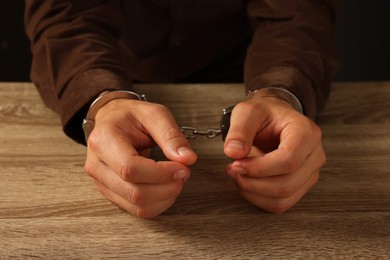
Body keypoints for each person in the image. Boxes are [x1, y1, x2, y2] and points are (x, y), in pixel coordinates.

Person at [25, 0, 339, 219]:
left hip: (242, 67)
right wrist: (105, 102)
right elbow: (67, 13)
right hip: (114, 67)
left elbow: (297, 13)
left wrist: (280, 94)